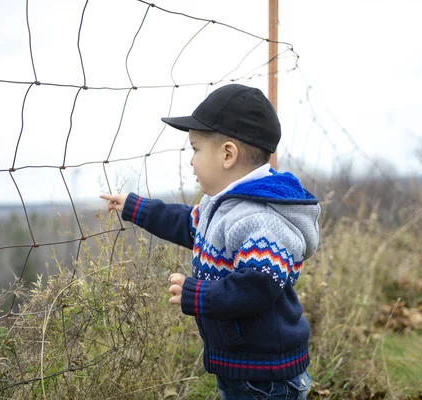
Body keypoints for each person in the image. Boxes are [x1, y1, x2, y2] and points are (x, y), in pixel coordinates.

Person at [100, 84, 320, 399]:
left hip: (264, 375)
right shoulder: (223, 205)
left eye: (195, 149)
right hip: (242, 366)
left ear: (228, 154)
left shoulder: (260, 218)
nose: (191, 161)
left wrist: (198, 294)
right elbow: (188, 224)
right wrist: (138, 208)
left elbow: (258, 285)